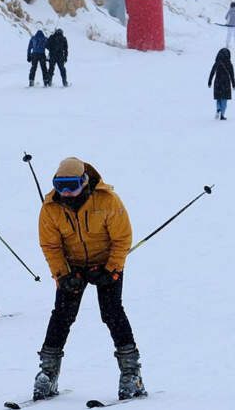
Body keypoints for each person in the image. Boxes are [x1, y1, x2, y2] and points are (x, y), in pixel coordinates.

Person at [32, 157, 146, 402]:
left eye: (72, 185)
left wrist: (112, 269)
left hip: (105, 263)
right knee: (62, 315)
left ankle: (131, 373)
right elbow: (50, 245)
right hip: (72, 266)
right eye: (60, 186)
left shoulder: (107, 201)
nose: (66, 193)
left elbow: (122, 238)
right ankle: (48, 372)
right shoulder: (51, 207)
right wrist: (63, 274)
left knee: (112, 312)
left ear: (84, 182)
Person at [207, 48, 235, 121]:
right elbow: (232, 74)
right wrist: (233, 83)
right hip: (226, 82)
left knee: (218, 98)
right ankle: (222, 115)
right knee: (224, 99)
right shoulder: (229, 63)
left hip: (217, 81)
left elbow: (212, 72)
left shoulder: (217, 62)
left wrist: (210, 81)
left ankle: (218, 109)